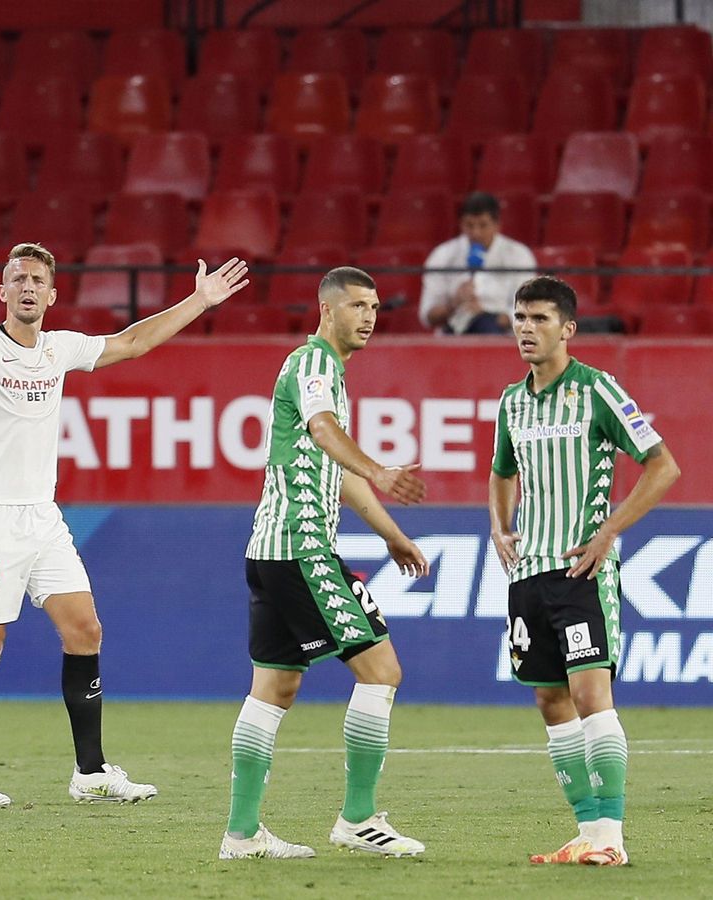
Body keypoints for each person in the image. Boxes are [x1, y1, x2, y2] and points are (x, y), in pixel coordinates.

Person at [0, 243, 250, 808]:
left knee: (85, 630)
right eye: (17, 278)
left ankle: (91, 772)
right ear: (1, 291)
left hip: (42, 517)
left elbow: (132, 342)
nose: (27, 286)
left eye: (37, 280)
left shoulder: (60, 349)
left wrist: (198, 300)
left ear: (52, 295)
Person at [222, 266, 431, 860]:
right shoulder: (315, 365)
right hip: (302, 549)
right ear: (327, 308)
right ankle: (358, 819)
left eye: (375, 307)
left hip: (269, 551)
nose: (369, 317)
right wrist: (381, 470)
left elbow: (331, 463)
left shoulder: (328, 373)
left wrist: (391, 534)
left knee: (274, 687)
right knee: (382, 671)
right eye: (358, 306)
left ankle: (241, 834)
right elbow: (322, 428)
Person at [489, 276, 680, 867]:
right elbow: (501, 471)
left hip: (582, 571)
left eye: (540, 318)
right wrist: (499, 524)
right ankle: (587, 831)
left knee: (590, 694)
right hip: (528, 574)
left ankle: (613, 838)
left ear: (568, 328)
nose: (527, 328)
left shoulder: (598, 389)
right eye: (520, 317)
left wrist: (608, 532)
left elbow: (663, 465)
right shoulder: (510, 401)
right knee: (550, 699)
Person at [419, 192, 538, 335]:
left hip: (500, 334)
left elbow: (529, 310)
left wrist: (489, 316)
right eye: (469, 225)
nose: (476, 233)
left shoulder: (519, 255)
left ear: (497, 225)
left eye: (483, 225)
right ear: (461, 224)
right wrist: (453, 304)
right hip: (453, 331)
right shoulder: (442, 255)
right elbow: (427, 316)